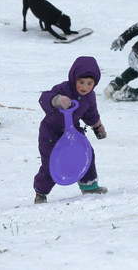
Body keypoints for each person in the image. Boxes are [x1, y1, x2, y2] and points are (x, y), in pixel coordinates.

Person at [34, 56, 108, 204]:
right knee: (51, 162)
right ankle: (41, 193)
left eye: (89, 83)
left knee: (86, 154)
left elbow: (91, 114)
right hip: (51, 132)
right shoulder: (64, 88)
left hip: (73, 130)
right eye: (81, 82)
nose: (85, 87)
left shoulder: (89, 96)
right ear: (74, 78)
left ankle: (89, 186)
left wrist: (98, 127)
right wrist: (57, 100)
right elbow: (44, 98)